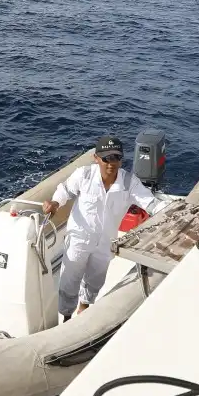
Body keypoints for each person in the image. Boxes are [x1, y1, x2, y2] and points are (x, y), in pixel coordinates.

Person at [42, 136, 156, 319]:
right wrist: (55, 203)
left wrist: (170, 211)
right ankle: (66, 316)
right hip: (79, 238)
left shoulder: (129, 182)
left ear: (121, 159)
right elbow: (65, 191)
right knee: (69, 280)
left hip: (105, 241)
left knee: (95, 280)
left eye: (116, 158)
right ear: (96, 158)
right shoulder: (84, 174)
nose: (111, 163)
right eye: (106, 158)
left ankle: (84, 308)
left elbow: (149, 202)